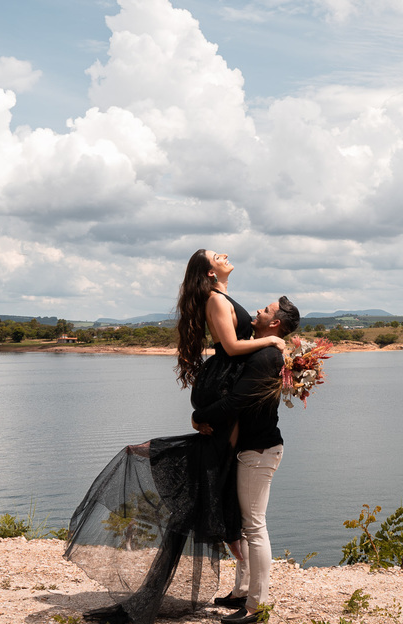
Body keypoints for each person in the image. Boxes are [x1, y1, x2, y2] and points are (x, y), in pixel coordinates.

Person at [64, 249, 286, 624]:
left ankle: (245, 591)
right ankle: (249, 596)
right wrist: (273, 342)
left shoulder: (222, 296)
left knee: (221, 489)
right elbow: (232, 348)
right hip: (225, 393)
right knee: (214, 476)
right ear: (210, 272)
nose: (225, 254)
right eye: (218, 255)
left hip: (233, 401)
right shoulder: (216, 299)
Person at [192, 297, 300, 624]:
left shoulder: (267, 356)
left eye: (264, 311)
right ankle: (242, 591)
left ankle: (256, 607)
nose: (257, 312)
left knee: (254, 526)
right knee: (243, 523)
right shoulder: (263, 350)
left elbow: (237, 401)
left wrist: (199, 415)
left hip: (259, 451)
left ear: (275, 324)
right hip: (252, 450)